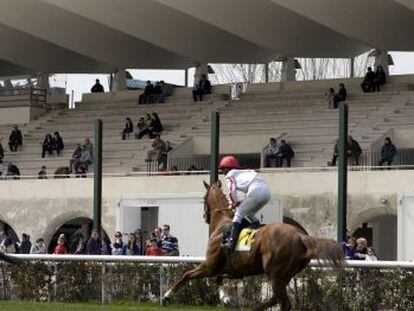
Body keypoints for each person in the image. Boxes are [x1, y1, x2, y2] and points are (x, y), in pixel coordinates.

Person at [219, 156, 270, 252]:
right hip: (266, 193)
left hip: (256, 191)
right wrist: (238, 202)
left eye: (223, 170)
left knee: (238, 214)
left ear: (227, 169)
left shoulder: (230, 174)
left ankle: (231, 243)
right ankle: (258, 228)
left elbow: (231, 191)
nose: (223, 173)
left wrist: (232, 204)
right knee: (248, 213)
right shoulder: (245, 172)